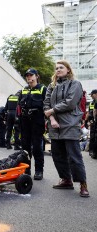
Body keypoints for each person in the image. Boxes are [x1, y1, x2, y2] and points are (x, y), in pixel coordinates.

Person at [44, 60, 89, 197]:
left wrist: (52, 110)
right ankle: (66, 180)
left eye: (61, 67)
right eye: (56, 68)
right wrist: (51, 118)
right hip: (54, 126)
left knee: (74, 156)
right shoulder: (51, 86)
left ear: (68, 70)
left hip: (70, 124)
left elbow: (70, 103)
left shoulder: (75, 84)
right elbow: (46, 104)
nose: (58, 70)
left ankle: (83, 184)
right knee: (58, 155)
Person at [18, 68, 46, 180]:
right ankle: (27, 169)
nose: (29, 77)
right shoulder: (24, 89)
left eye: (31, 75)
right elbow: (19, 105)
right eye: (27, 76)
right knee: (25, 147)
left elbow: (47, 104)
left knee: (37, 147)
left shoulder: (42, 88)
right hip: (25, 121)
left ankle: (39, 170)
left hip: (37, 120)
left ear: (36, 76)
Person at [87, 89, 97, 159]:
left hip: (95, 121)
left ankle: (94, 152)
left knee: (94, 137)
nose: (91, 96)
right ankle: (92, 151)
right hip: (93, 122)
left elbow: (94, 112)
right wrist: (88, 121)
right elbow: (89, 113)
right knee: (92, 137)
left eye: (91, 94)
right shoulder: (91, 103)